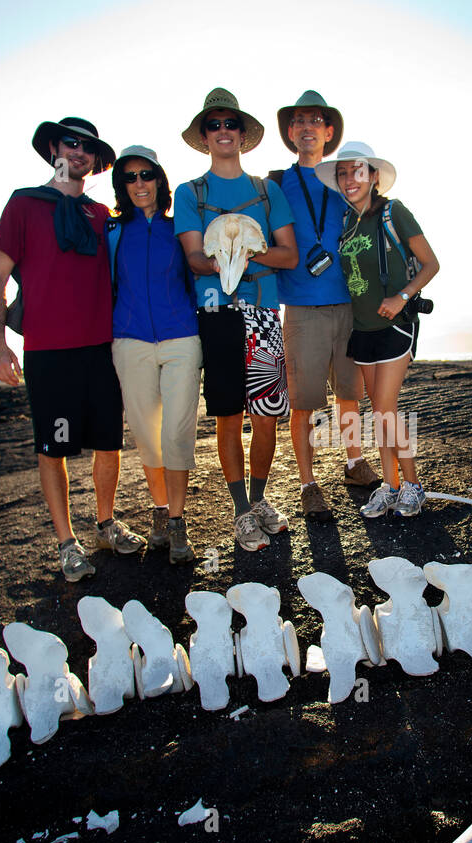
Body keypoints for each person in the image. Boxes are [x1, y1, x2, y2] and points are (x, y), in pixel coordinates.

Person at [0, 116, 147, 581]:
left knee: (108, 443)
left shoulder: (102, 218)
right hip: (47, 351)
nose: (79, 152)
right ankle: (66, 543)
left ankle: (106, 523)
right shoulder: (24, 205)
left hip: (101, 348)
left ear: (96, 161)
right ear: (54, 147)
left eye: (88, 148)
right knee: (52, 448)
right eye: (71, 143)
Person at [174, 89, 298, 551]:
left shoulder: (267, 191)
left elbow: (289, 255)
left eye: (231, 124)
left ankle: (262, 499)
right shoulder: (191, 193)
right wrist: (245, 256)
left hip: (264, 313)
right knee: (228, 417)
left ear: (243, 135)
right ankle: (240, 511)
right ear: (204, 136)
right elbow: (195, 260)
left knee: (266, 418)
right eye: (214, 125)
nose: (223, 131)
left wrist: (239, 253)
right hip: (216, 314)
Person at [270, 91, 378, 523]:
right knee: (304, 402)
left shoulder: (343, 179)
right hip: (301, 306)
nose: (307, 127)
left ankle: (354, 464)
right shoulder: (276, 183)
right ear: (291, 132)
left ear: (329, 131)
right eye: (299, 121)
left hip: (349, 304)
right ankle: (308, 484)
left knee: (350, 394)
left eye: (316, 120)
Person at [316, 141, 440, 518]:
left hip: (395, 327)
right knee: (378, 411)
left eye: (357, 170)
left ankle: (413, 486)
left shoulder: (392, 212)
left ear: (373, 176)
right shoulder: (346, 223)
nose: (349, 178)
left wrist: (403, 296)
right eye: (342, 172)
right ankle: (391, 487)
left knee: (386, 411)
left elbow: (431, 264)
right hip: (362, 330)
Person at [105, 145, 200, 565]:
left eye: (147, 175)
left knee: (176, 432)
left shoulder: (179, 227)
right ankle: (159, 512)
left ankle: (177, 523)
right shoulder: (111, 232)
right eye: (131, 177)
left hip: (181, 337)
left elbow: (199, 274)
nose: (140, 183)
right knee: (147, 435)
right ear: (122, 186)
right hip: (130, 341)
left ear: (160, 180)